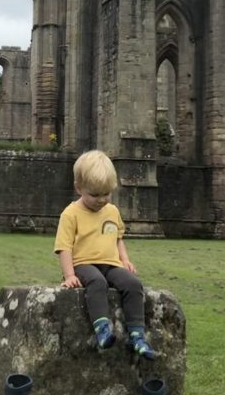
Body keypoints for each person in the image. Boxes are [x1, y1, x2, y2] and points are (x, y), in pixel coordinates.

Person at [54, 149, 155, 358]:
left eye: (106, 194)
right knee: (97, 282)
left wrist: (125, 260)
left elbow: (118, 238)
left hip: (111, 263)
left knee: (133, 284)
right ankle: (102, 329)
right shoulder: (70, 214)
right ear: (78, 188)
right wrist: (70, 275)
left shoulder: (112, 211)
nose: (101, 200)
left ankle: (137, 335)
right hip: (84, 264)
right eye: (95, 195)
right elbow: (64, 247)